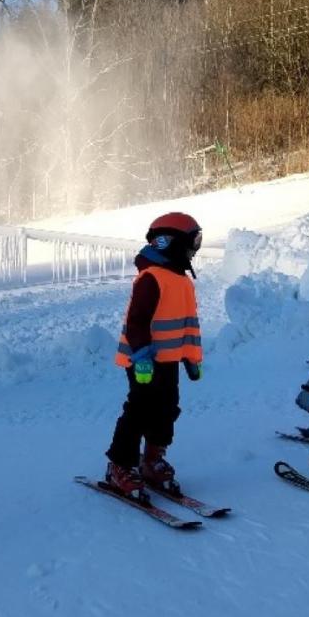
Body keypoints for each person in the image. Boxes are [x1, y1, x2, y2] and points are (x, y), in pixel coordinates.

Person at [105, 213, 204, 501]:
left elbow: (185, 324)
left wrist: (191, 358)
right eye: (192, 241)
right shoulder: (151, 279)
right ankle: (119, 465)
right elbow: (136, 322)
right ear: (170, 243)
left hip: (169, 360)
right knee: (138, 411)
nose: (194, 249)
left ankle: (151, 459)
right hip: (143, 362)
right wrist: (142, 355)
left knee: (167, 409)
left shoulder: (181, 280)